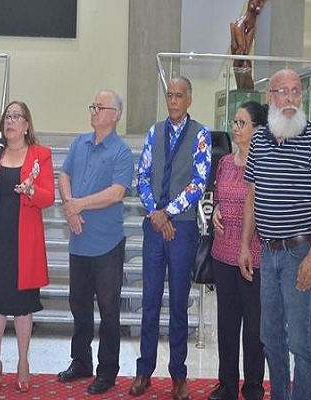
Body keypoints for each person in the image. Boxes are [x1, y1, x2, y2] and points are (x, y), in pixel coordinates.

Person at [239, 69, 311, 400]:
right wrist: (244, 245)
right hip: (268, 252)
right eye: (284, 91)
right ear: (270, 98)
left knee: (300, 340)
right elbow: (252, 195)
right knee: (270, 337)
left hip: (301, 251)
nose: (292, 98)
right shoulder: (259, 141)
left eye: (296, 91)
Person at [131, 76, 211, 399]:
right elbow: (142, 175)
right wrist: (155, 212)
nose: (173, 101)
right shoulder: (154, 132)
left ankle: (179, 375)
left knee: (179, 303)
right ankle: (144, 371)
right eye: (170, 95)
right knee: (150, 301)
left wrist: (169, 212)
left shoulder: (200, 134)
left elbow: (199, 181)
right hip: (154, 227)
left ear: (189, 100)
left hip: (183, 229)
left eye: (179, 96)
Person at [0, 101, 55, 393]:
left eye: (16, 116)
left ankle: (23, 362)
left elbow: (48, 197)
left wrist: (31, 190)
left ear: (26, 125)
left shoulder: (40, 154)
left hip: (25, 243)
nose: (10, 121)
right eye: (7, 116)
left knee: (22, 308)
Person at [57, 90, 134, 395]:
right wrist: (69, 206)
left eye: (100, 107)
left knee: (108, 309)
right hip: (79, 241)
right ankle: (81, 362)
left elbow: (116, 193)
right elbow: (64, 176)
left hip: (107, 244)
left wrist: (79, 205)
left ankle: (107, 371)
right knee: (79, 305)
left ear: (115, 115)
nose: (94, 111)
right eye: (93, 106)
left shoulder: (122, 152)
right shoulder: (80, 143)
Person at [208, 102, 267, 400]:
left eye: (242, 123)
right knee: (227, 324)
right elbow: (218, 197)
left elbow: (264, 208)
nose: (235, 128)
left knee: (254, 327)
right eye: (234, 122)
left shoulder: (266, 166)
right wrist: (216, 211)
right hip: (222, 255)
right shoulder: (225, 163)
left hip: (254, 257)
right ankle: (227, 385)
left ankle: (253, 386)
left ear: (258, 129)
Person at [230, 0, 266, 90]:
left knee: (245, 58)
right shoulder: (239, 25)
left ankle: (243, 88)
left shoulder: (252, 25)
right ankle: (241, 88)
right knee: (242, 56)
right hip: (243, 24)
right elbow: (240, 51)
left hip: (250, 25)